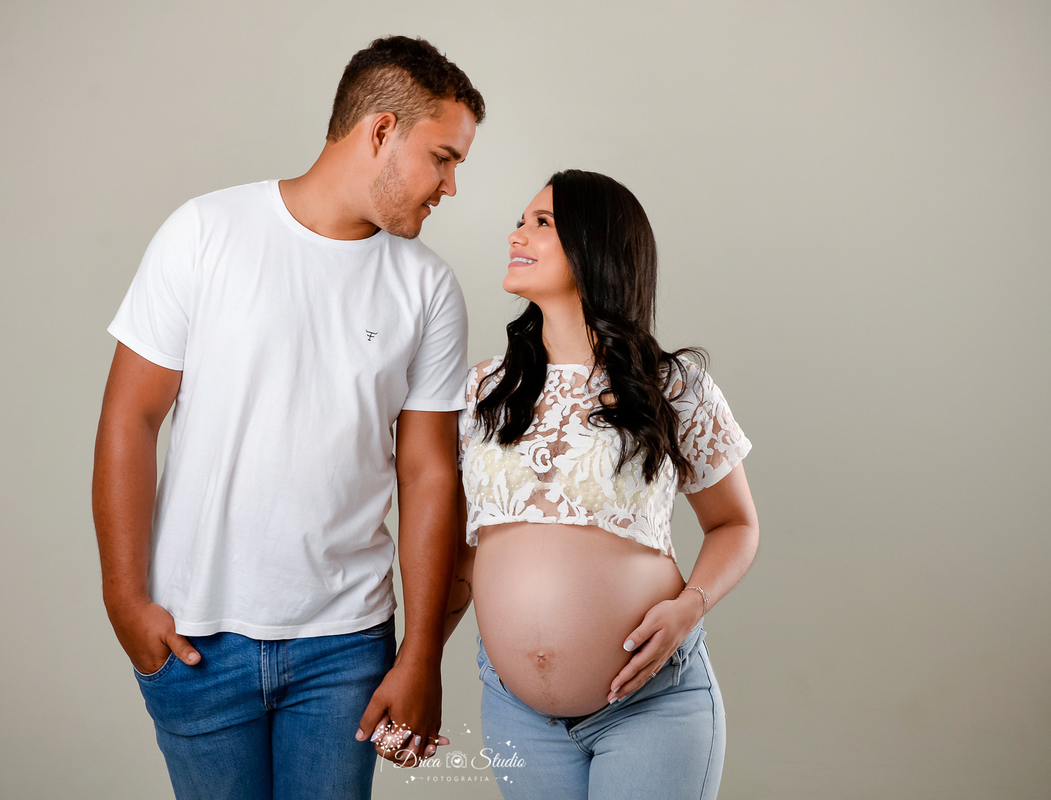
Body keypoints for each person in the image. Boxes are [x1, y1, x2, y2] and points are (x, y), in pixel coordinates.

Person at [92, 36, 485, 799]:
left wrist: (421, 655)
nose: (450, 185)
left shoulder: (428, 287)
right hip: (195, 636)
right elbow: (130, 419)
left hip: (346, 649)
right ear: (380, 132)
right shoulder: (205, 233)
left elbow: (431, 473)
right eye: (443, 157)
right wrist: (124, 601)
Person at [443, 170, 759, 799]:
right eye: (521, 219)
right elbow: (467, 553)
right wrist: (418, 663)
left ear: (596, 247)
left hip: (651, 704)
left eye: (542, 223)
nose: (517, 233)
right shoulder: (484, 392)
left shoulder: (673, 387)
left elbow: (736, 525)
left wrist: (688, 608)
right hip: (516, 713)